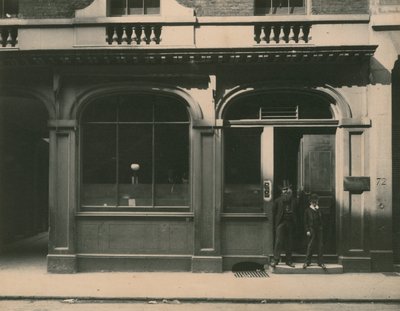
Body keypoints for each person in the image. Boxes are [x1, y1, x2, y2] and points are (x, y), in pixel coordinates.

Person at [270, 180, 297, 268]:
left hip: (290, 223)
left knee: (289, 241)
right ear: (281, 191)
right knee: (278, 241)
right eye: (284, 190)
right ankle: (276, 260)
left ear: (290, 190)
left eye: (287, 189)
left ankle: (289, 260)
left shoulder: (294, 200)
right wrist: (276, 224)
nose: (286, 191)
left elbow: (298, 212)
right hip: (281, 223)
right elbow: (273, 213)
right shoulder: (277, 201)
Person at [303, 193, 327, 270]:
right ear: (310, 202)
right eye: (313, 202)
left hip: (319, 230)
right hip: (311, 230)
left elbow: (322, 220)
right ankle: (307, 261)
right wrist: (307, 230)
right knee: (310, 245)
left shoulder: (319, 210)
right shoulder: (307, 210)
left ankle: (320, 262)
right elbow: (305, 222)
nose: (314, 203)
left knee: (320, 245)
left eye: (316, 201)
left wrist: (321, 227)